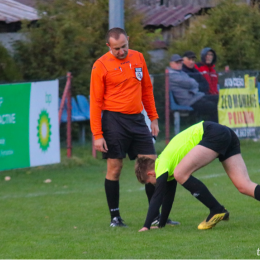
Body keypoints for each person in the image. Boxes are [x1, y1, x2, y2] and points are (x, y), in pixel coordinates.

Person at [90, 27, 178, 227]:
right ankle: (115, 218)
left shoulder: (138, 58)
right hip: (113, 122)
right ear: (108, 46)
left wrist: (153, 118)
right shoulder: (100, 66)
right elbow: (95, 102)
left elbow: (146, 89)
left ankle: (155, 216)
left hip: (138, 120)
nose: (121, 52)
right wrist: (97, 134)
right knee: (115, 168)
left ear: (128, 40)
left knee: (152, 166)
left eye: (124, 46)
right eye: (116, 49)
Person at [135, 121, 260, 232]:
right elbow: (168, 198)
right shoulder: (167, 167)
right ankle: (216, 209)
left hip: (212, 132)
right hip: (224, 133)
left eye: (151, 182)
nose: (155, 184)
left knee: (180, 173)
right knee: (244, 185)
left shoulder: (161, 164)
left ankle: (217, 209)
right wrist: (161, 224)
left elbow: (157, 197)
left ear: (150, 173)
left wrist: (146, 226)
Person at [169, 54, 218, 122]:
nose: (179, 64)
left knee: (219, 98)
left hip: (196, 96)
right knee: (213, 107)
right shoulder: (171, 75)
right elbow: (190, 82)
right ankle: (212, 129)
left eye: (180, 62)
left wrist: (193, 87)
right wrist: (193, 86)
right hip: (188, 101)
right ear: (171, 64)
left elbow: (193, 83)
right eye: (177, 62)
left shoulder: (181, 73)